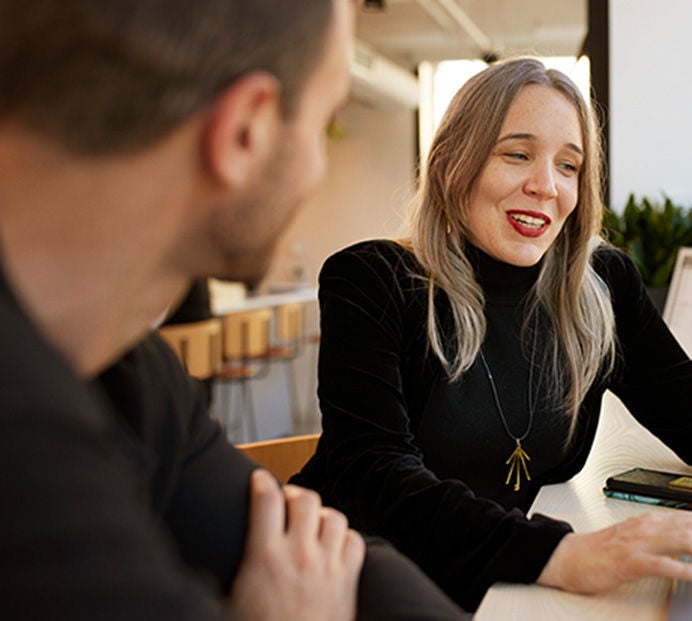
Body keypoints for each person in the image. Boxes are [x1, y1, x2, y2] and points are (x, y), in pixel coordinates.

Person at [291, 57, 692, 611]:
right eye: (517, 154)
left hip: (502, 576)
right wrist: (563, 554)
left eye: (569, 166)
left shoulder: (601, 283)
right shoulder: (372, 279)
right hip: (349, 571)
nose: (547, 185)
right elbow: (375, 474)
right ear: (453, 162)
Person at [0, 0, 466, 619]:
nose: (317, 168)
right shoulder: (27, 450)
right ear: (246, 131)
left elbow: (334, 558)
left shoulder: (134, 375)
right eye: (325, 121)